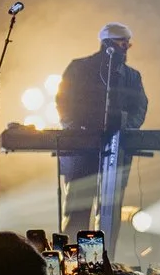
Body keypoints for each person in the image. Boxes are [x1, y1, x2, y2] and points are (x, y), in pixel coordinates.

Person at [61, 21, 150, 232]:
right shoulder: (78, 68)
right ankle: (72, 259)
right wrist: (76, 127)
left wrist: (125, 127)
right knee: (78, 208)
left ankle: (105, 257)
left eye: (128, 43)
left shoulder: (132, 76)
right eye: (122, 43)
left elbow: (140, 107)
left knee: (110, 210)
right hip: (83, 149)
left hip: (118, 148)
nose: (127, 47)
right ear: (107, 45)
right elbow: (64, 100)